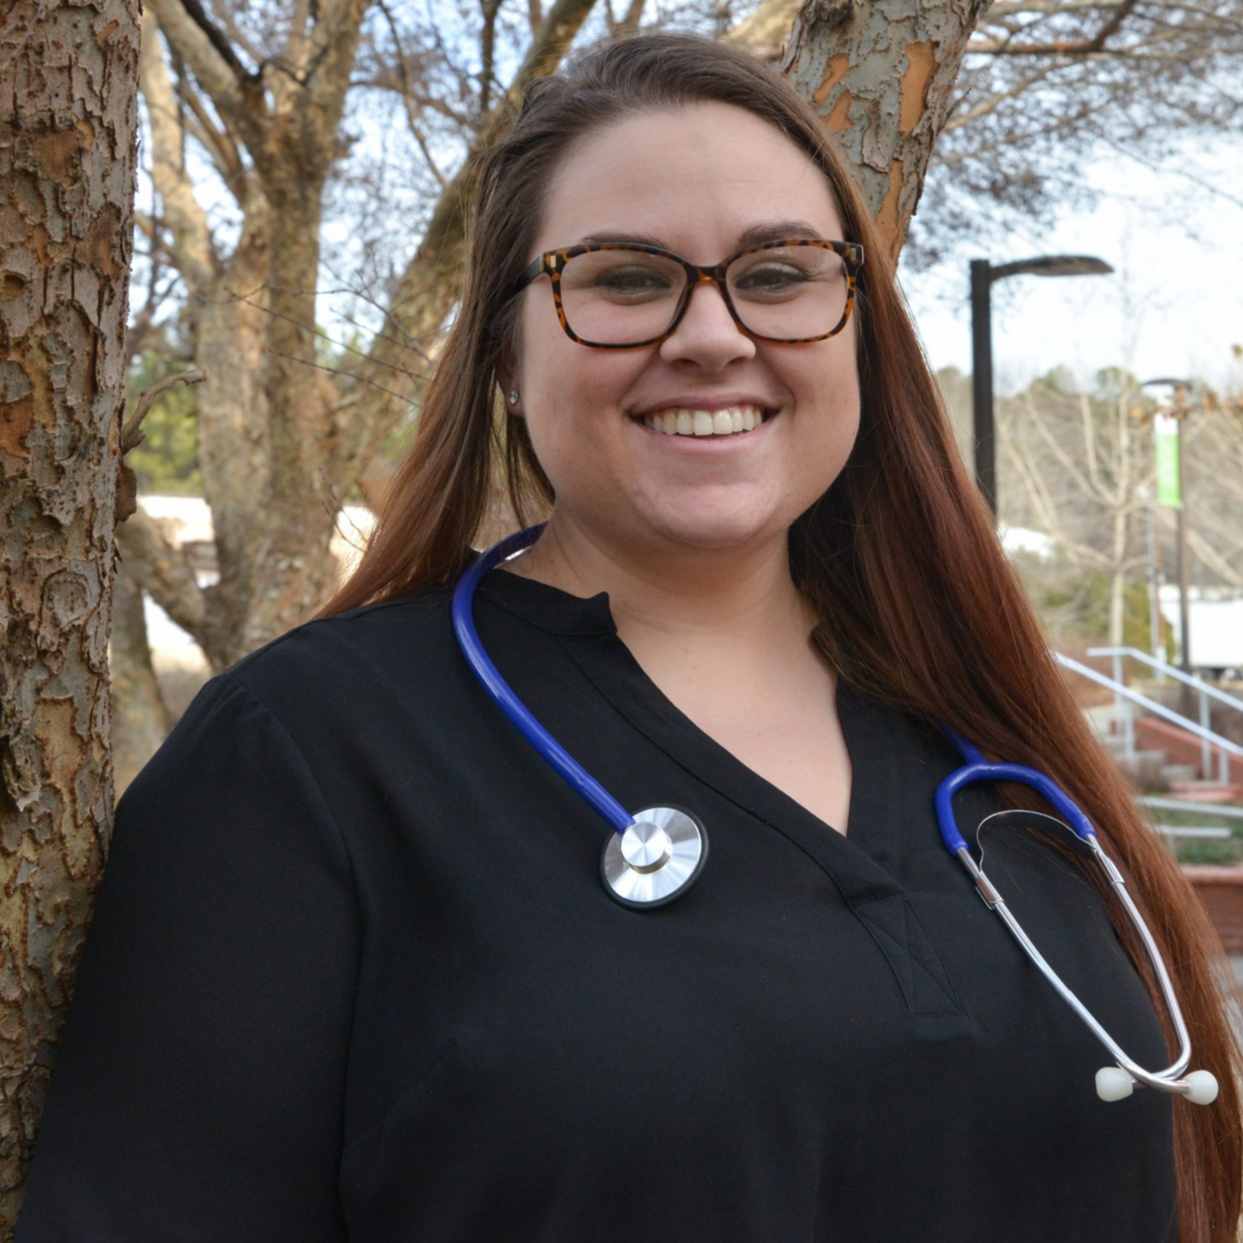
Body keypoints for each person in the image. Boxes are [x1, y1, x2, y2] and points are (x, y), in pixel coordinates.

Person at [17, 32, 1242, 1243]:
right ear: (502, 353)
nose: (712, 333)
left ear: (857, 327)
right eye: (623, 278)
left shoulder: (982, 738)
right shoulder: (306, 762)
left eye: (776, 273)